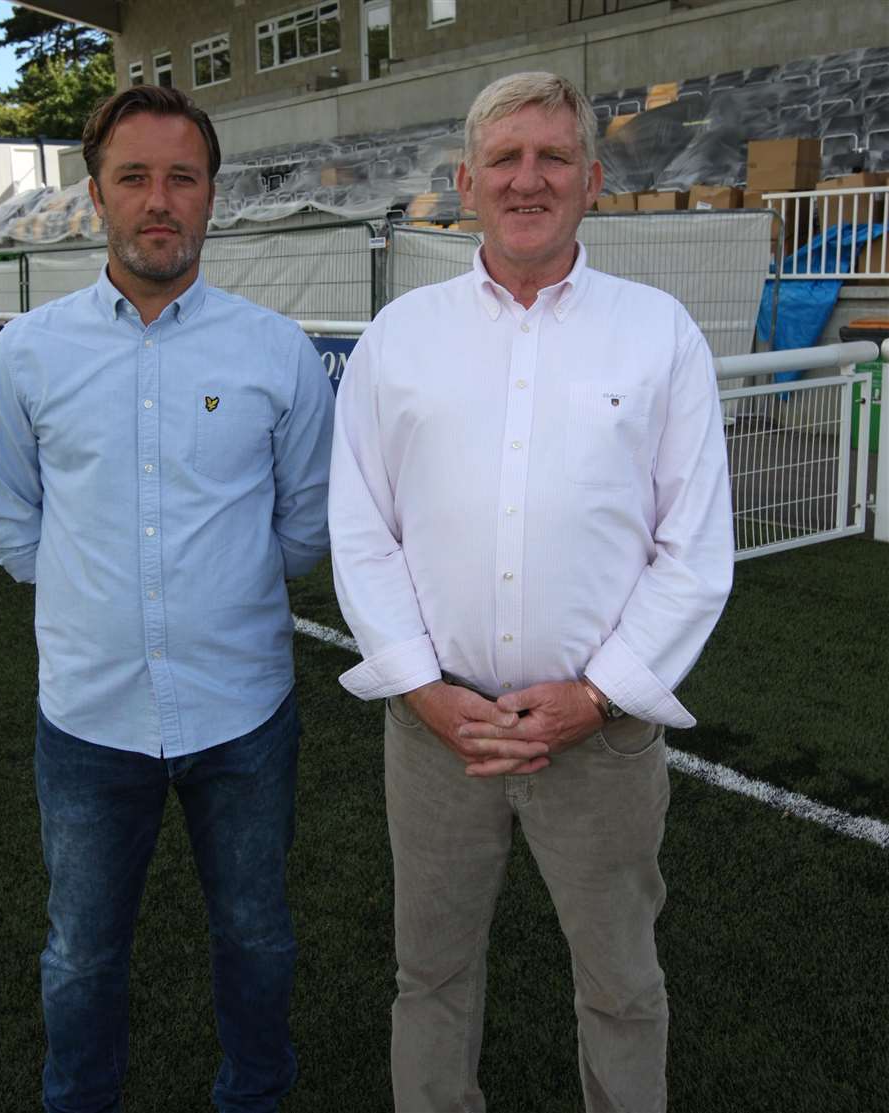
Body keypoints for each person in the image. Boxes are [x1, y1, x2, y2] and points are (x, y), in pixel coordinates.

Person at [328, 71, 734, 1113]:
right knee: (432, 979)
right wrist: (422, 688)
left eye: (553, 157)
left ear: (591, 180)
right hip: (436, 737)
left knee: (622, 988)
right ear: (466, 182)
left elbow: (692, 551)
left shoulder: (659, 335)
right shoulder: (398, 340)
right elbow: (362, 531)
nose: (527, 179)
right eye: (504, 159)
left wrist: (595, 696)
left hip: (597, 743)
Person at [0, 85, 334, 1113]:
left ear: (214, 197)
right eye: (134, 177)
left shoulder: (275, 352)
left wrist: (210, 593)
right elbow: (9, 521)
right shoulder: (28, 355)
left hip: (244, 713)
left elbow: (307, 522)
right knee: (81, 953)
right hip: (89, 716)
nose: (158, 200)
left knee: (256, 937)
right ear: (95, 197)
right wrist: (102, 600)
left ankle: (253, 1096)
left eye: (182, 178)